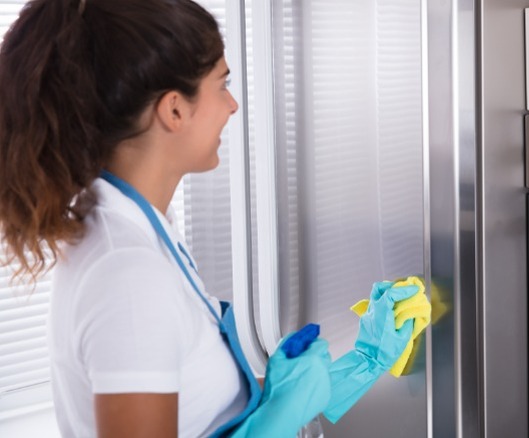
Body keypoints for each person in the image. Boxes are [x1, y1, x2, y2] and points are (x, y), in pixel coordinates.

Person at [0, 0, 417, 436]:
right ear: (174, 110)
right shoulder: (127, 274)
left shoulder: (140, 230)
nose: (232, 105)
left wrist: (356, 364)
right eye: (222, 84)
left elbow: (199, 407)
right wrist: (281, 415)